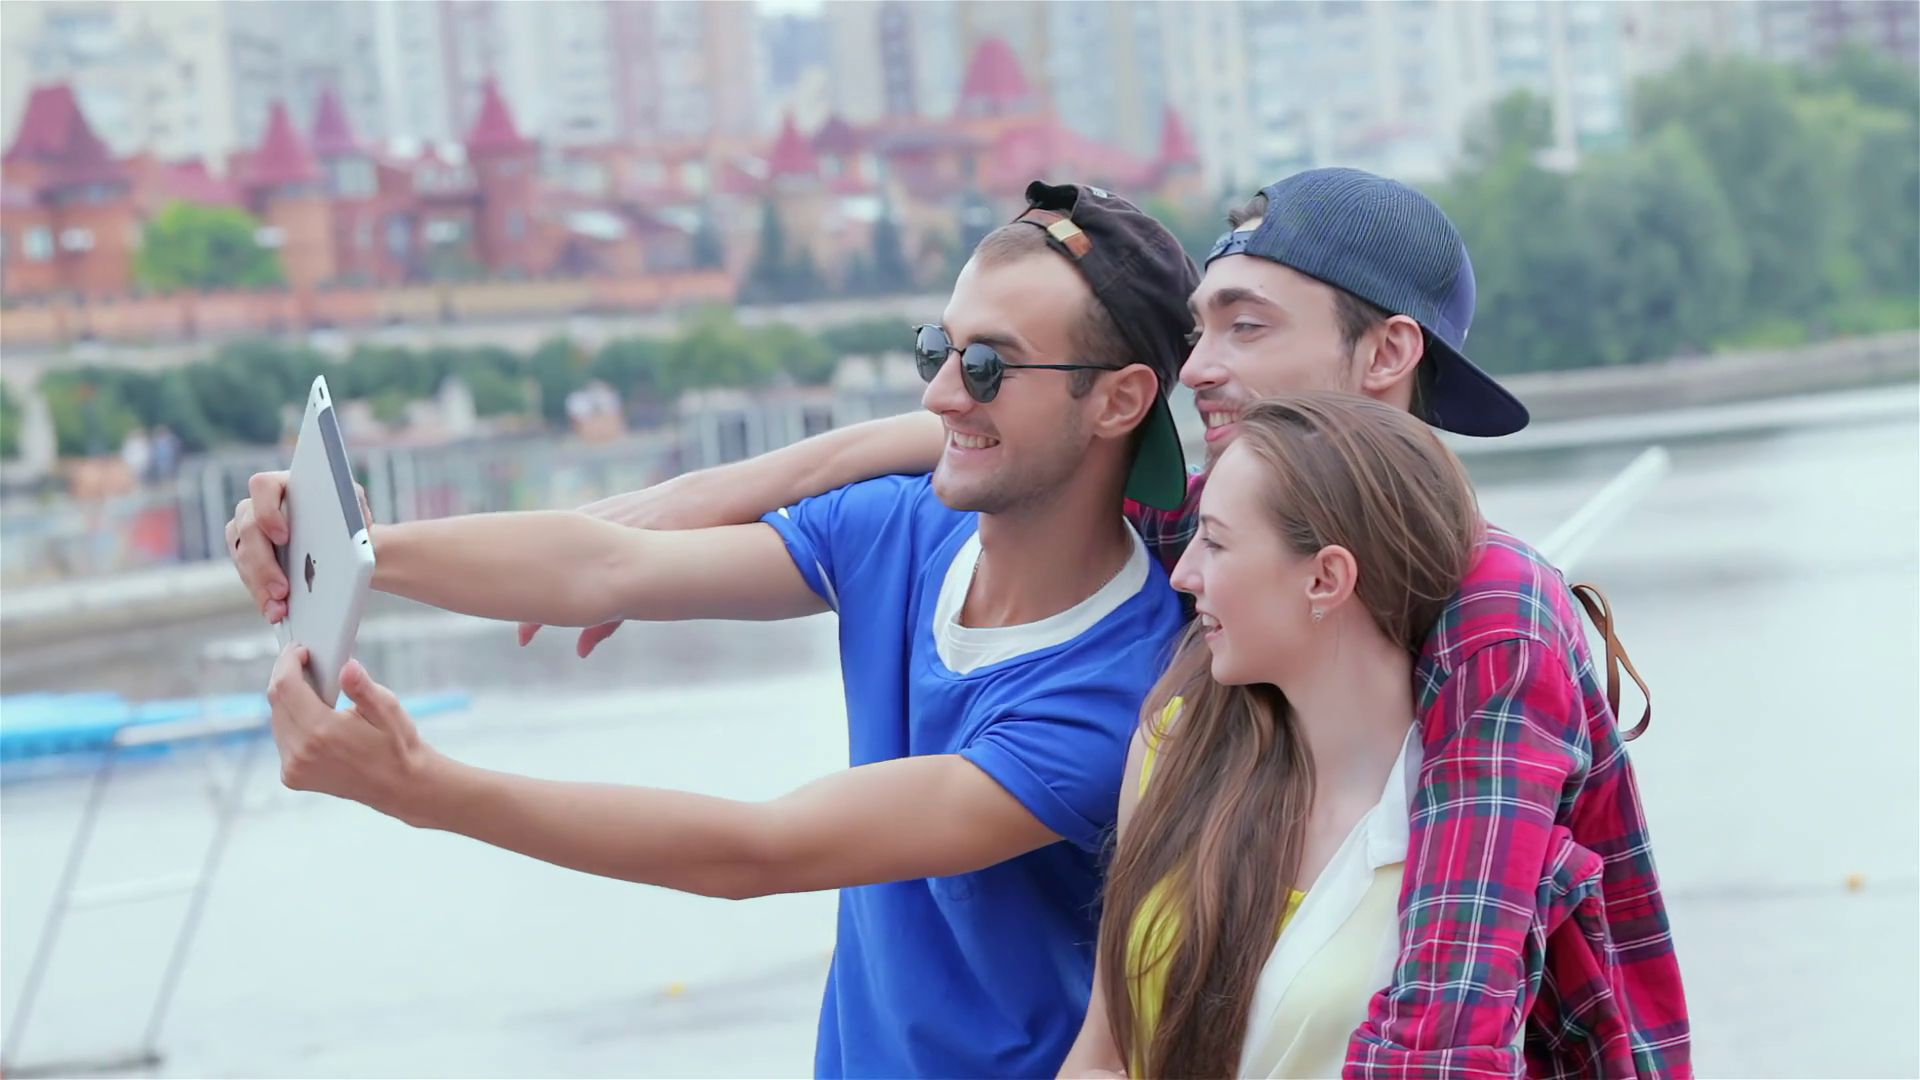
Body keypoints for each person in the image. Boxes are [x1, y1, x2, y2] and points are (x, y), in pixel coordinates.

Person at [517, 168, 1692, 1075]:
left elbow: (1448, 1021)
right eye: (1198, 332)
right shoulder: (1213, 530)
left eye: (1246, 329)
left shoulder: (1492, 612)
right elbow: (998, 429)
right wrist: (701, 502)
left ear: (1388, 352)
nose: (1197, 371)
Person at [235, 181, 1200, 1078]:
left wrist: (422, 789)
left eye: (986, 366)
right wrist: (346, 548)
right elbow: (606, 566)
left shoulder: (1116, 699)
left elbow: (759, 851)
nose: (940, 394)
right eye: (935, 350)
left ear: (1117, 400)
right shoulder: (908, 527)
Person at [1061, 392, 1481, 1078]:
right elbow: (1101, 1050)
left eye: (1215, 541)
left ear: (1325, 578)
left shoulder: (1459, 837)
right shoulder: (1175, 748)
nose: (1182, 573)